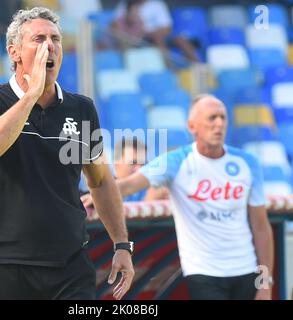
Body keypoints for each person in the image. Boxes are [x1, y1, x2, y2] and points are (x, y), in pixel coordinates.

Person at [0, 7, 134, 300]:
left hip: (70, 265)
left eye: (55, 38)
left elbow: (101, 181)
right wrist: (31, 95)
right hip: (6, 265)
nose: (50, 46)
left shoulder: (81, 109)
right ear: (14, 52)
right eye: (39, 39)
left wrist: (121, 244)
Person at [83, 94, 274, 300]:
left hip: (245, 268)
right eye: (212, 118)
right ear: (192, 126)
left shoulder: (248, 163)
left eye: (223, 117)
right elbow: (130, 185)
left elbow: (261, 226)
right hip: (203, 271)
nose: (219, 124)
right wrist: (98, 194)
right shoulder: (176, 161)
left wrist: (265, 283)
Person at [111, 0, 199, 66]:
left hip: (157, 35)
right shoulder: (126, 3)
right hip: (137, 37)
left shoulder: (157, 4)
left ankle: (197, 65)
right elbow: (116, 24)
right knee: (157, 38)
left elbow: (167, 28)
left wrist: (153, 33)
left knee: (180, 39)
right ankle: (168, 67)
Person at [114, 137, 169, 202]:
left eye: (142, 164)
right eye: (133, 163)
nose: (139, 169)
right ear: (116, 163)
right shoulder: (104, 190)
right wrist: (149, 201)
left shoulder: (152, 188)